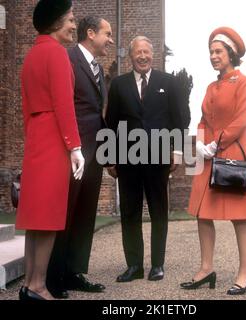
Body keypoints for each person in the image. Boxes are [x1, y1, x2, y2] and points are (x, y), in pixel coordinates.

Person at [180, 27, 246, 295]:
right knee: (203, 214)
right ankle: (205, 269)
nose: (213, 56)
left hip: (232, 154)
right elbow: (203, 117)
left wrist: (218, 142)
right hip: (208, 155)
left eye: (218, 51)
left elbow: (241, 120)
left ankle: (245, 275)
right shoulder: (211, 86)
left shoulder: (244, 82)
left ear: (231, 54)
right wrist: (201, 142)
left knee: (239, 217)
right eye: (211, 52)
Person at [16, 0, 85, 300]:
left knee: (35, 219)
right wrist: (75, 147)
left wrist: (35, 139)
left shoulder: (32, 55)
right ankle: (38, 286)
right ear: (57, 22)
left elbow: (27, 108)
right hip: (55, 139)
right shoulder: (57, 54)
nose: (73, 25)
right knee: (48, 218)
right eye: (70, 19)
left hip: (36, 139)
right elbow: (64, 105)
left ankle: (28, 284)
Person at [105, 36, 184, 282]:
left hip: (158, 158)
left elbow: (178, 120)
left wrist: (178, 151)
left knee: (159, 212)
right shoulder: (118, 85)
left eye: (146, 52)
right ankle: (134, 266)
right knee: (130, 212)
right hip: (127, 160)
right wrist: (109, 158)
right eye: (138, 52)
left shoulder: (168, 83)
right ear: (130, 56)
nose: (142, 56)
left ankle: (157, 265)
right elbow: (111, 123)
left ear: (153, 55)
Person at [47, 16, 114, 298]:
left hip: (95, 151)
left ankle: (75, 272)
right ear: (90, 33)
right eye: (107, 34)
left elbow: (97, 113)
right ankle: (54, 277)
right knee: (66, 212)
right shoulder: (67, 59)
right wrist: (72, 147)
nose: (110, 39)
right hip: (73, 152)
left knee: (85, 213)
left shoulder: (97, 68)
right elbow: (62, 106)